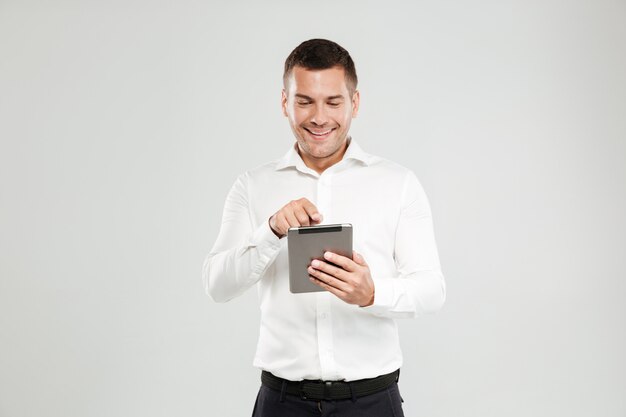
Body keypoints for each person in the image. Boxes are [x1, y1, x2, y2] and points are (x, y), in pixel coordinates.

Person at [203, 38, 446, 417]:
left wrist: (372, 292)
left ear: (355, 103)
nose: (319, 117)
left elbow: (432, 289)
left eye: (333, 102)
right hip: (281, 403)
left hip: (372, 401)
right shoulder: (253, 185)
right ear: (285, 103)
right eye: (305, 101)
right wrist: (269, 233)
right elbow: (217, 285)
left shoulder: (398, 183)